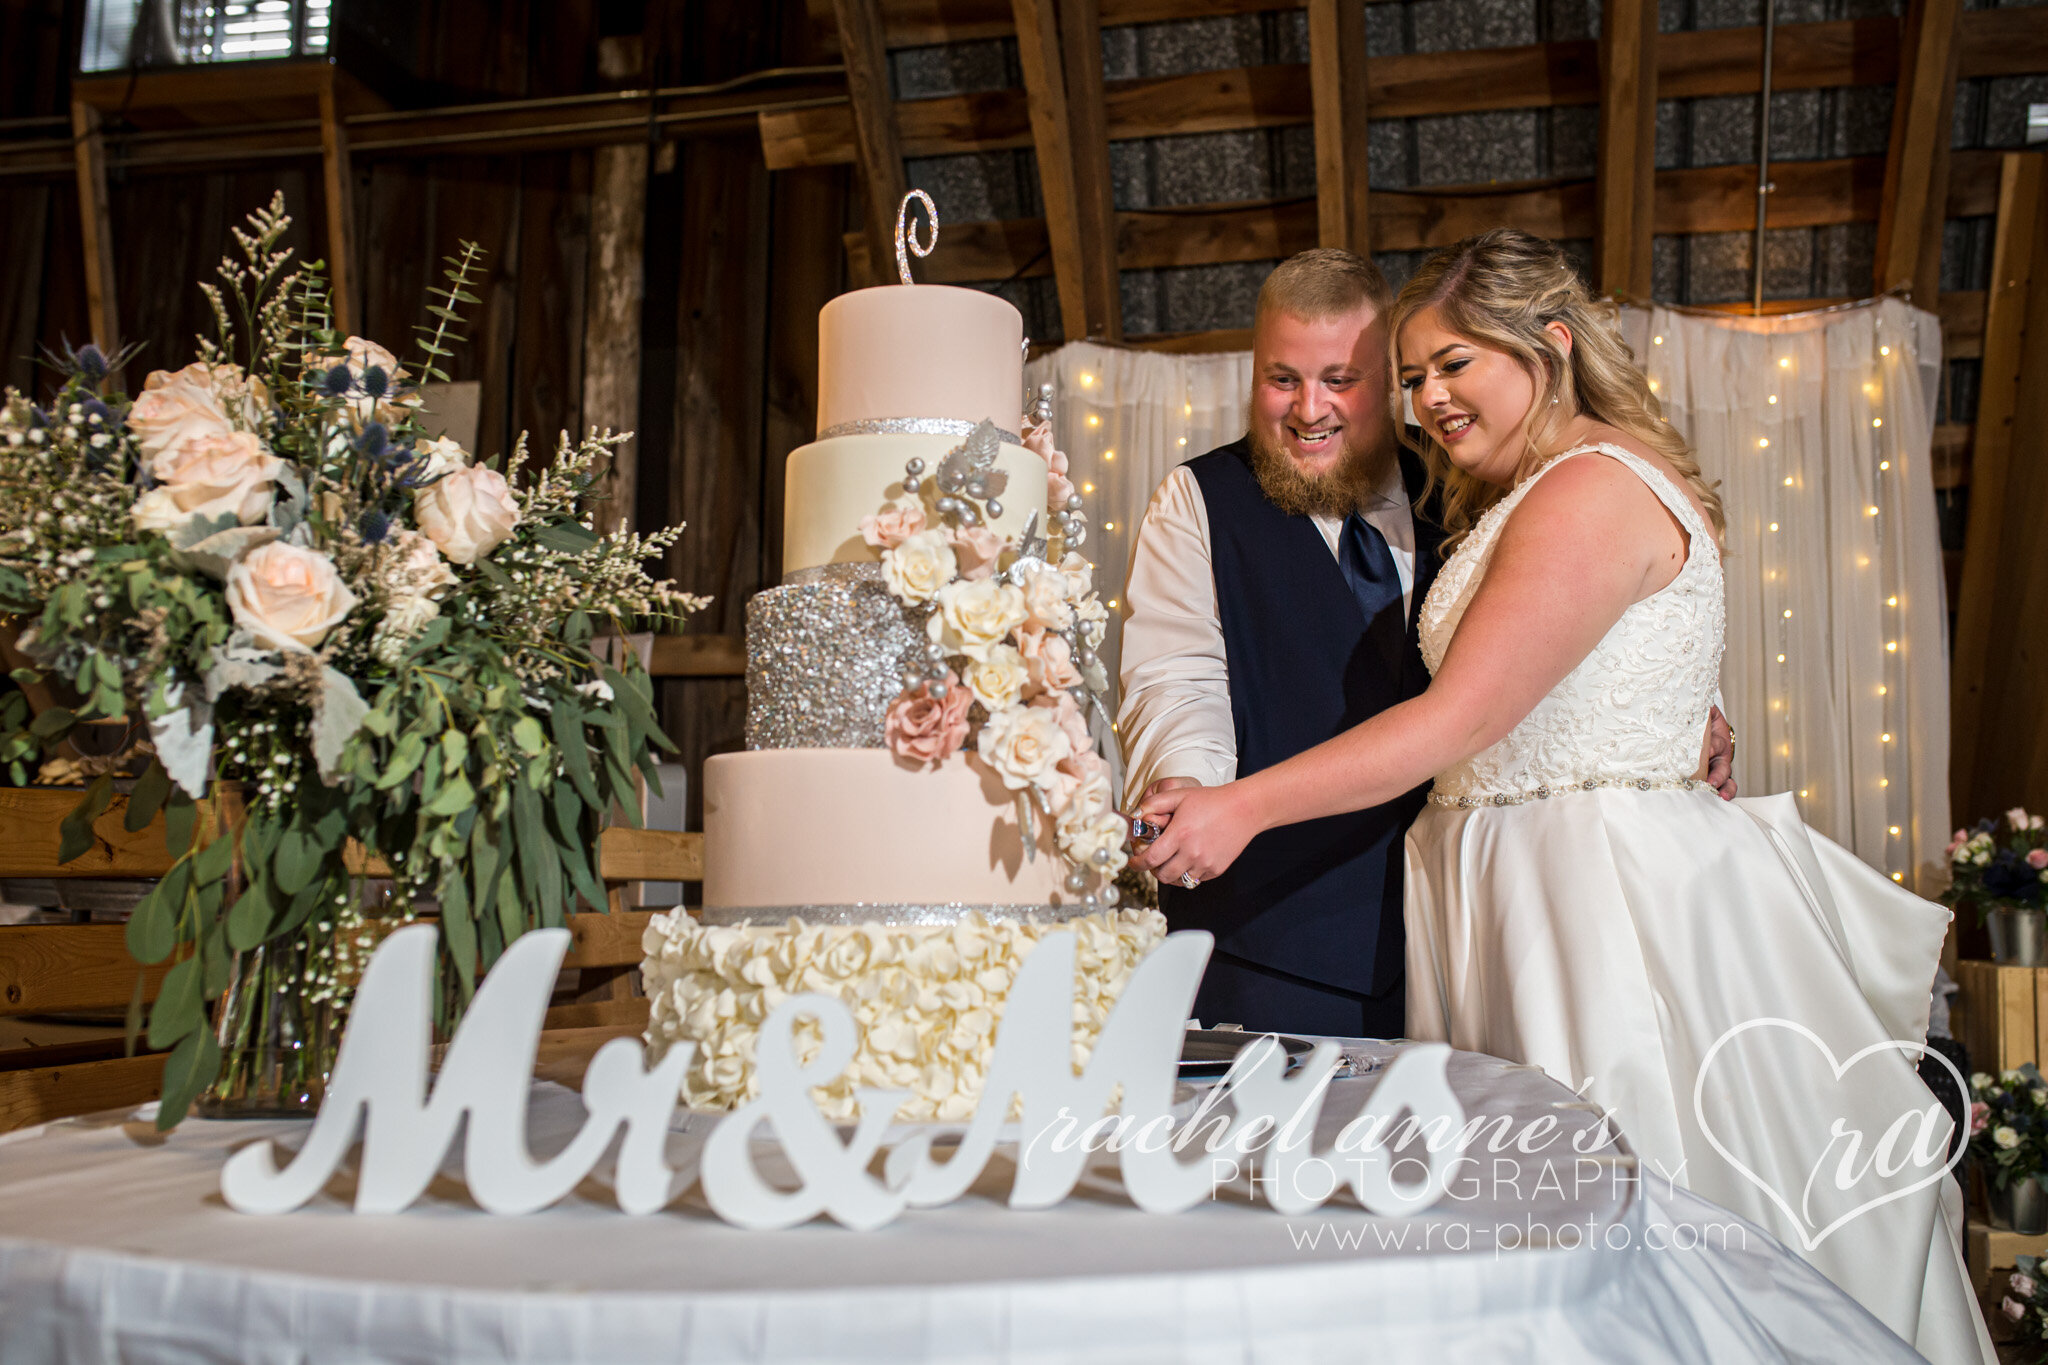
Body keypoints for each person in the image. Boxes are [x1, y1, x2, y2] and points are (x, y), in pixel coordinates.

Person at [1132, 229, 1991, 1363]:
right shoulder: (1322, 493)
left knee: (1630, 1221)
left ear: (1543, 343)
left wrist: (1243, 806)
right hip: (1424, 917)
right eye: (1409, 376)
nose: (1414, 399)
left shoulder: (1547, 486)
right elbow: (1177, 675)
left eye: (1420, 370)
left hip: (1587, 907)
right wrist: (1195, 792)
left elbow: (1470, 709)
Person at [1117, 246, 1736, 1037]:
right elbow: (1179, 679)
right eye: (1282, 379)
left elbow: (1596, 611)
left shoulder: (1474, 481)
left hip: (1468, 928)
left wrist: (1691, 709)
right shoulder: (1199, 499)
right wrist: (1194, 798)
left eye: (1344, 378)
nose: (1310, 409)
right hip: (1273, 931)